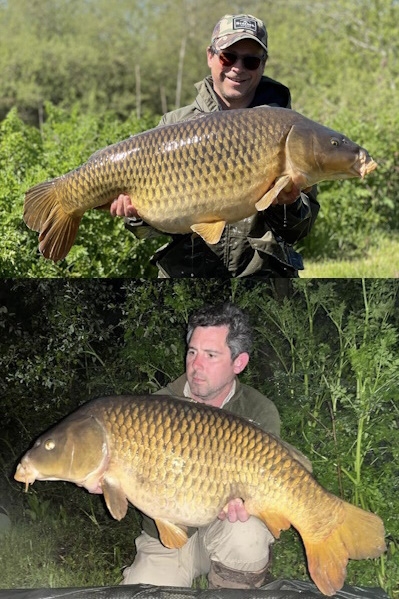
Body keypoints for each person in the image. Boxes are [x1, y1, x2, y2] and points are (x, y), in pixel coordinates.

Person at [110, 14, 320, 278]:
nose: (238, 68)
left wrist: (285, 204)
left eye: (251, 60)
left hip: (263, 277)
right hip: (189, 277)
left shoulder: (285, 129)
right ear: (210, 56)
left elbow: (299, 230)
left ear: (262, 65)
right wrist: (136, 217)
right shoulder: (173, 124)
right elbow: (150, 232)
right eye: (228, 57)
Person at [121, 302, 280, 589]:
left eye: (210, 355)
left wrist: (251, 504)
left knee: (247, 535)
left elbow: (270, 489)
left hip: (226, 532)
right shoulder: (155, 408)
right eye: (192, 352)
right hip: (164, 538)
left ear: (238, 363)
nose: (196, 365)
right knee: (144, 590)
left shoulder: (258, 410)